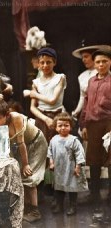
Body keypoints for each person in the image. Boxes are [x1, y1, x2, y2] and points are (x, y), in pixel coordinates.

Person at [0, 100, 47, 223]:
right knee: (16, 175)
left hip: (35, 143)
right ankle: (24, 207)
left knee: (29, 176)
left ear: (7, 115)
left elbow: (21, 143)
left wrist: (25, 164)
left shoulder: (16, 118)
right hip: (17, 146)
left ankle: (35, 211)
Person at [80, 48, 111, 215]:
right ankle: (94, 195)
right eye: (98, 62)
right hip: (92, 124)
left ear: (110, 62)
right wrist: (84, 124)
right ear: (94, 64)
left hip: (109, 123)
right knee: (93, 159)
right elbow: (86, 103)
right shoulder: (91, 81)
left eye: (104, 61)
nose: (101, 64)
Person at [48, 112, 88, 216]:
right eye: (60, 125)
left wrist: (78, 167)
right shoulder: (54, 140)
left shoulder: (73, 140)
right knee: (59, 189)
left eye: (66, 125)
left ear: (70, 126)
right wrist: (51, 163)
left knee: (72, 189)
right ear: (55, 127)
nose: (63, 128)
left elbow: (80, 154)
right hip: (59, 170)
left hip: (70, 169)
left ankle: (72, 207)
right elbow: (50, 152)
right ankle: (59, 206)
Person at [24, 47, 67, 143]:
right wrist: (45, 119)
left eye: (48, 62)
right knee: (42, 147)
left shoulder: (60, 78)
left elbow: (53, 100)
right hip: (41, 118)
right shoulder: (36, 82)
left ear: (54, 63)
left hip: (57, 116)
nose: (45, 65)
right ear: (38, 64)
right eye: (42, 62)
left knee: (57, 146)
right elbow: (32, 108)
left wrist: (34, 94)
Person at [71, 43, 109, 119]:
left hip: (103, 114)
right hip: (88, 112)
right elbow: (83, 97)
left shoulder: (104, 73)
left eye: (86, 56)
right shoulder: (82, 76)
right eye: (82, 57)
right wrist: (76, 111)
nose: (83, 60)